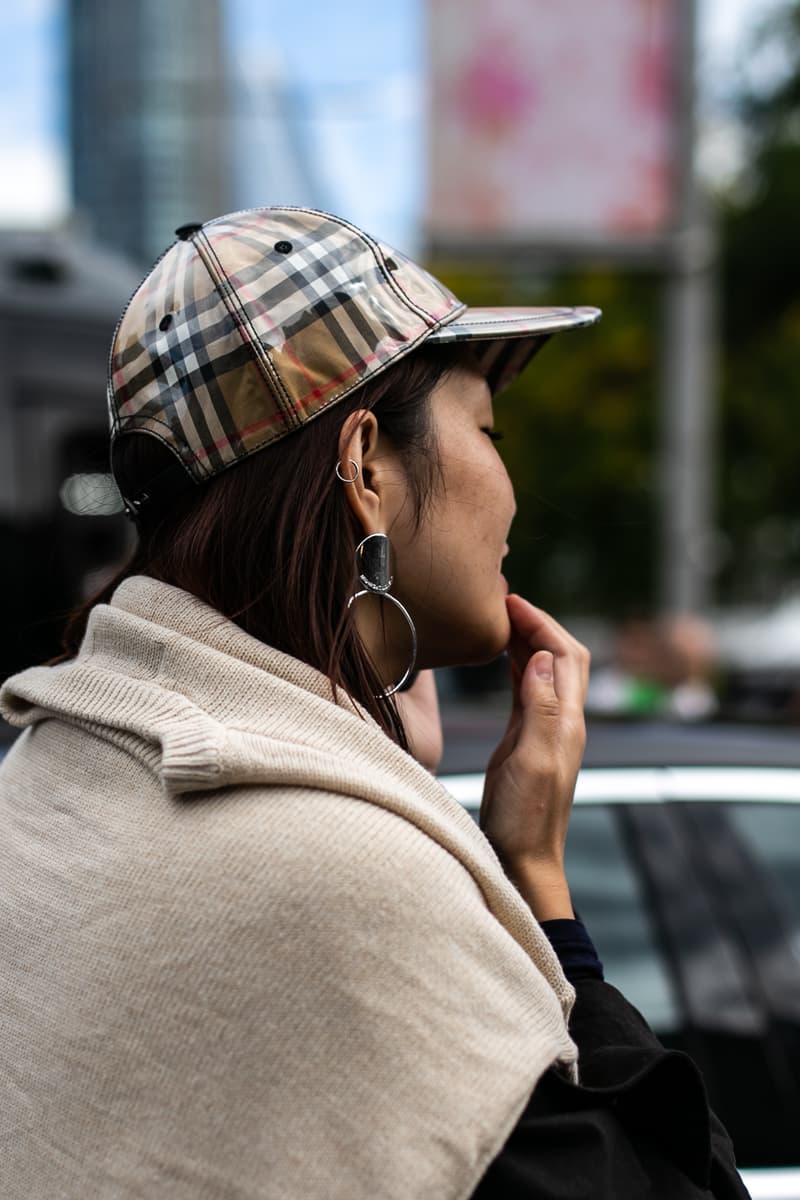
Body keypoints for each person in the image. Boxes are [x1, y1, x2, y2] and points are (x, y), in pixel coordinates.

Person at [0, 208, 749, 1199]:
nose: (512, 493)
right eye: (485, 431)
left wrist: (375, 759)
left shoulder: (47, 779)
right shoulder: (344, 880)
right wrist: (536, 881)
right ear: (363, 467)